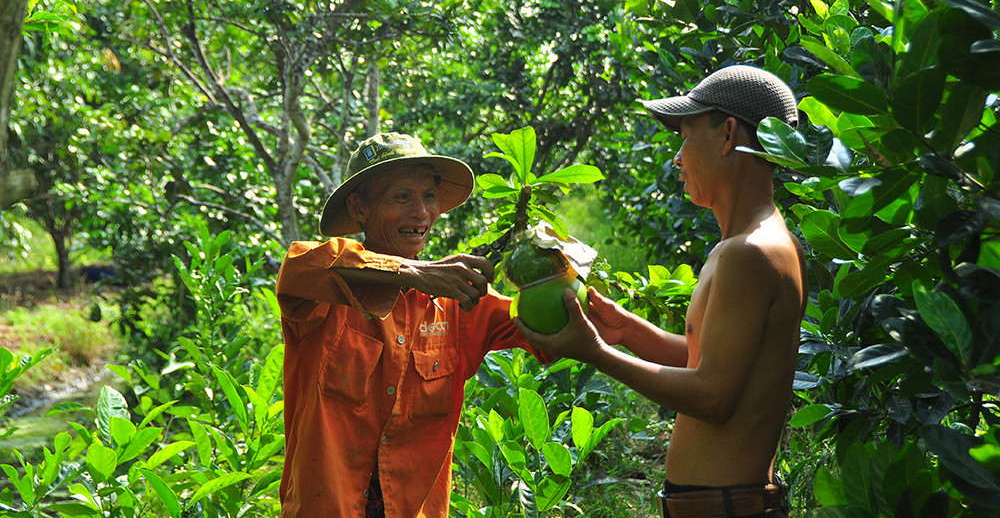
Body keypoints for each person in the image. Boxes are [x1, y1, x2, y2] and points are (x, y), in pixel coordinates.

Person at [516, 65, 808, 518]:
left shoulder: (749, 253)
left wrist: (595, 352)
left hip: (728, 508)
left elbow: (713, 397)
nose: (677, 159)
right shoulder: (761, 241)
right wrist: (627, 330)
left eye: (686, 136)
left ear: (728, 134)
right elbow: (712, 361)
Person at [275, 132, 548, 518]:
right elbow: (297, 267)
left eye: (429, 197)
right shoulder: (324, 290)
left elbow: (553, 329)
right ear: (358, 207)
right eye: (401, 197)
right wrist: (416, 274)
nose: (421, 212)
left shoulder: (457, 303)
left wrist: (553, 265)